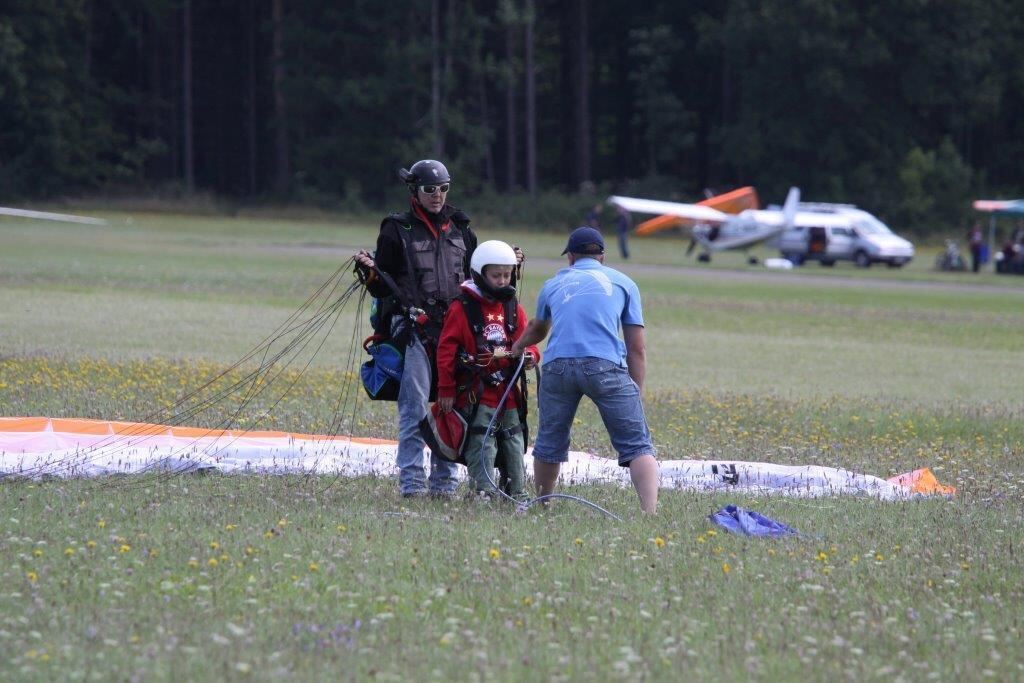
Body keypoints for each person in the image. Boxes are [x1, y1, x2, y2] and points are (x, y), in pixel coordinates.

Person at [354, 160, 524, 499]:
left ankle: (445, 484)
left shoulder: (462, 230)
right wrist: (371, 273)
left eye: (443, 188)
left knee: (453, 408)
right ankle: (413, 484)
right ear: (415, 191)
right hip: (416, 330)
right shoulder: (396, 230)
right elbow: (382, 287)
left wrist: (508, 264)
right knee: (415, 408)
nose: (437, 196)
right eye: (430, 189)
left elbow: (480, 280)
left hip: (458, 329)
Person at [509, 226, 659, 514]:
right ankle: (649, 514)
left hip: (558, 366)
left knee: (550, 441)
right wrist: (635, 392)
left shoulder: (553, 284)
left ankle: (543, 505)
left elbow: (538, 329)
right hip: (604, 365)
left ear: (571, 258)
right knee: (637, 445)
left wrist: (517, 348)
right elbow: (636, 348)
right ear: (602, 257)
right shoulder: (625, 283)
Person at [435, 240, 540, 501]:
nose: (503, 281)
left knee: (514, 438)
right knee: (482, 438)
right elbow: (445, 351)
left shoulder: (512, 308)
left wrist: (531, 356)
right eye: (496, 275)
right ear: (480, 274)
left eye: (507, 274)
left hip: (509, 391)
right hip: (478, 392)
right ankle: (483, 491)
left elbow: (529, 340)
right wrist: (445, 389)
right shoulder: (462, 308)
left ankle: (516, 491)